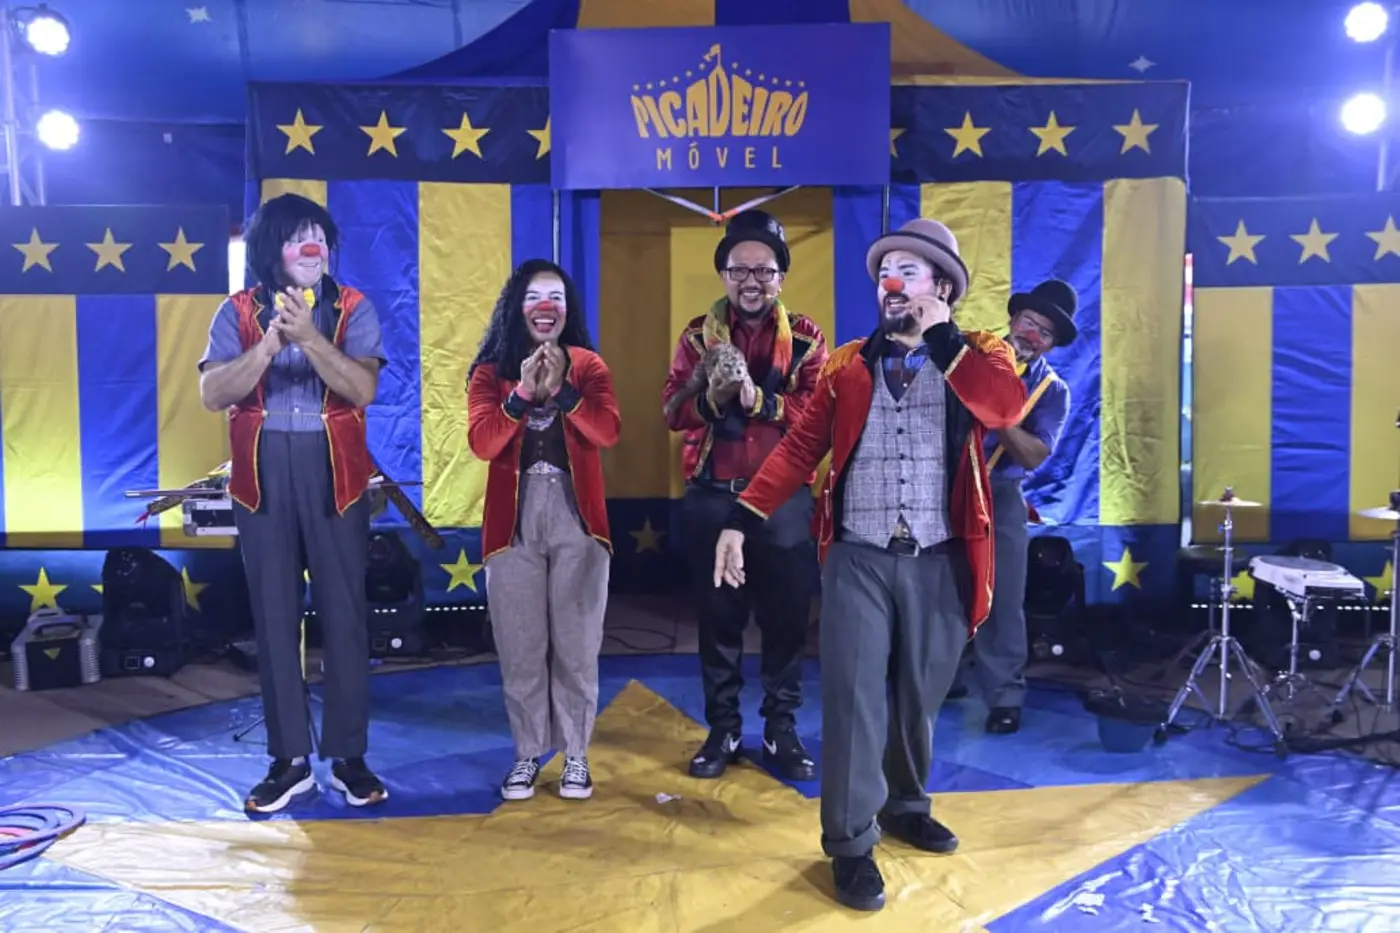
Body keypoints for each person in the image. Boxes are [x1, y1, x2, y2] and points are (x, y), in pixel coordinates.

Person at [713, 218, 1026, 912]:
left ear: (942, 287)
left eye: (909, 272)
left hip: (941, 557)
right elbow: (799, 448)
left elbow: (1004, 408)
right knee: (855, 698)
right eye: (887, 274)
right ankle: (851, 843)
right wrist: (741, 519)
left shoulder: (981, 353)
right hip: (858, 555)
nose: (892, 284)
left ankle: (905, 804)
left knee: (920, 695)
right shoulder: (848, 365)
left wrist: (942, 340)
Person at [198, 193, 388, 814]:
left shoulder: (354, 307)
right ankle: (290, 761)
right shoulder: (235, 312)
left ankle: (349, 756)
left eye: (320, 236)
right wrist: (267, 347)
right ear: (270, 249)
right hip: (261, 475)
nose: (313, 247)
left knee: (345, 614)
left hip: (336, 473)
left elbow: (361, 388)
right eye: (296, 236)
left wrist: (309, 338)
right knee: (274, 616)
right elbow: (213, 393)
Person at [661, 209, 828, 782]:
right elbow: (672, 413)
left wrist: (760, 400)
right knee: (718, 621)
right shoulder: (695, 337)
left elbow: (818, 417)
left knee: (786, 620)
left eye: (764, 270)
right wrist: (711, 399)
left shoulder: (806, 339)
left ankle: (781, 728)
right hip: (714, 494)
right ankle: (724, 728)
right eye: (739, 270)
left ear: (781, 277)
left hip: (783, 500)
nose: (751, 281)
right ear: (724, 275)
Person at [467, 259, 620, 802]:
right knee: (521, 646)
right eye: (534, 297)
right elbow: (483, 443)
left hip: (578, 519)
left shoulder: (590, 366)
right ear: (517, 308)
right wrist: (522, 397)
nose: (545, 306)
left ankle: (576, 755)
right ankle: (528, 755)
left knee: (577, 644)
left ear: (567, 309)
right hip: (513, 522)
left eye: (555, 296)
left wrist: (564, 393)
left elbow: (607, 432)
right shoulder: (489, 372)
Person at [951, 280, 1075, 734]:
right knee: (936, 589)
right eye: (1029, 322)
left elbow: (1033, 455)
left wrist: (999, 416)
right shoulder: (967, 355)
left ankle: (1004, 695)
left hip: (1000, 494)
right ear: (1013, 319)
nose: (1032, 335)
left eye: (1045, 332)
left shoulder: (1052, 390)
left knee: (1002, 597)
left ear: (1052, 344)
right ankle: (938, 680)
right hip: (944, 485)